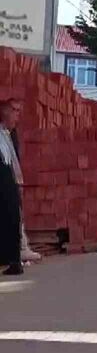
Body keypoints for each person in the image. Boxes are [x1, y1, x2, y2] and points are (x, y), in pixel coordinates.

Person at [0, 100, 24, 275]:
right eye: (14, 110)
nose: (17, 115)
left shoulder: (12, 133)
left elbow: (15, 158)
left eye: (18, 111)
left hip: (8, 176)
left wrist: (18, 180)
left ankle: (14, 260)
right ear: (4, 112)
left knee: (13, 216)